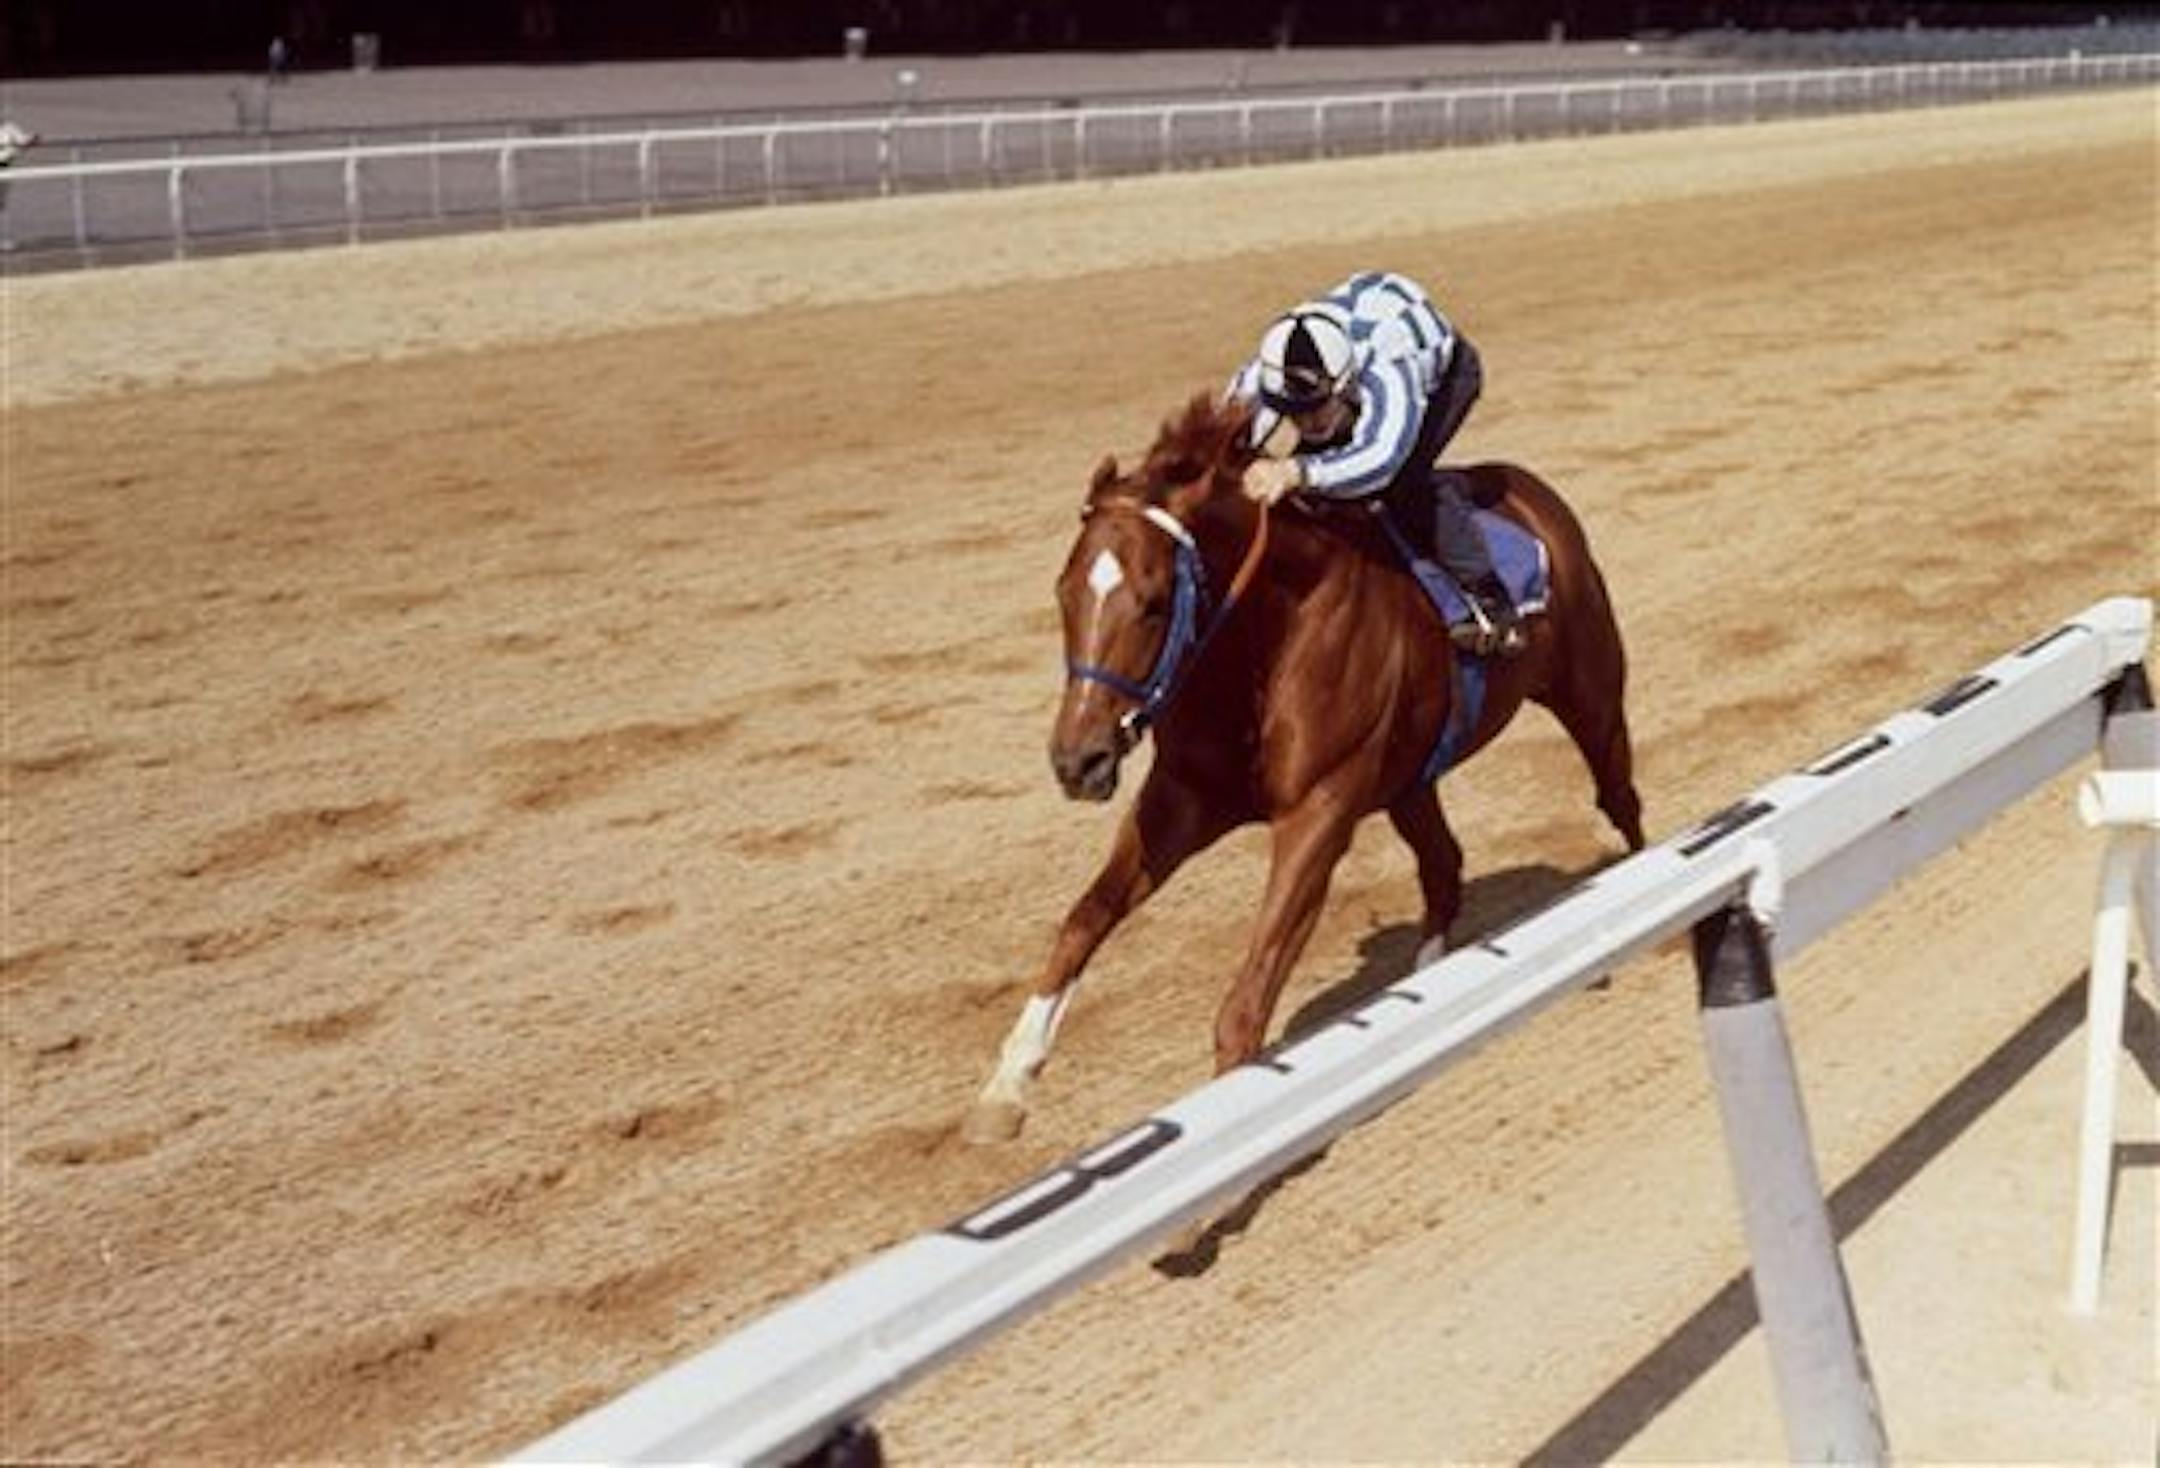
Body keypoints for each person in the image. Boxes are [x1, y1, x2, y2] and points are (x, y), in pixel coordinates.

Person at [1229, 270, 1524, 657]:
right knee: (1315, 483)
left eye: (1317, 410)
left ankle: (1488, 597)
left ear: (1346, 385)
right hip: (1353, 338)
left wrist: (1295, 471)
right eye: (1294, 414)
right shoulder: (1264, 375)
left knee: (1401, 485)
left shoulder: (1388, 370)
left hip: (1445, 374)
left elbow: (1381, 459)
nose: (1307, 424)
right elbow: (1227, 433)